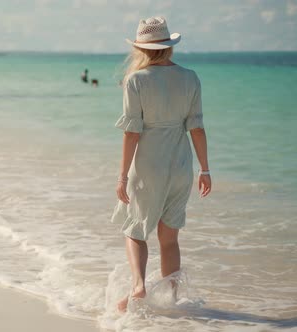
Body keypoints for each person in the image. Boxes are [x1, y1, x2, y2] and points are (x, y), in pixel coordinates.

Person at [110, 16, 211, 312]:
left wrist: (121, 177)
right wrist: (205, 169)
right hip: (181, 166)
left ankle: (138, 285)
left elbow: (132, 132)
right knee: (170, 238)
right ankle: (172, 299)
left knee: (136, 231)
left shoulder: (136, 80)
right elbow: (197, 128)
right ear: (168, 46)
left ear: (141, 48)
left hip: (147, 166)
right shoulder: (191, 77)